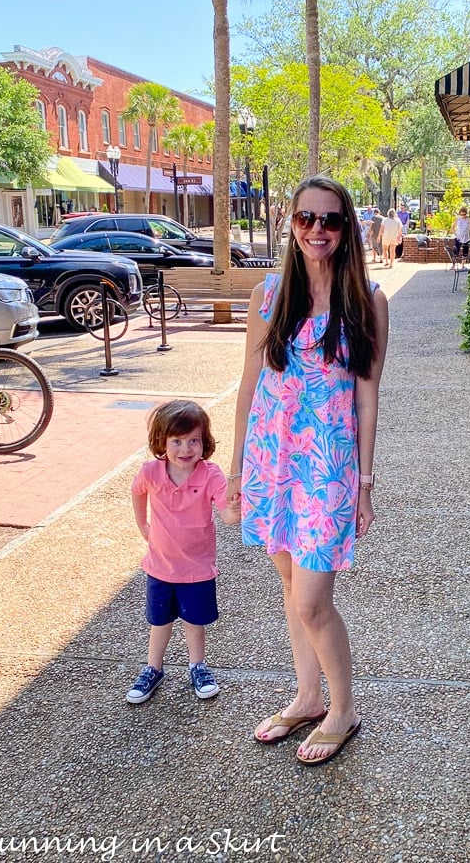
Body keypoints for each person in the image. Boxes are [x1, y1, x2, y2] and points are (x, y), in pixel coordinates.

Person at [229, 175, 389, 766]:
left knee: (314, 600)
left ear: (348, 229)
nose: (317, 230)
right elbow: (250, 386)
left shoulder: (368, 300)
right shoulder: (268, 294)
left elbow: (368, 397)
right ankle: (307, 697)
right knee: (293, 591)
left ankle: (343, 710)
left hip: (327, 472)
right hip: (274, 465)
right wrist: (238, 467)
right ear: (291, 227)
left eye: (331, 220)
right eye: (306, 219)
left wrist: (365, 485)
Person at [127, 400, 240, 705]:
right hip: (160, 567)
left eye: (194, 440)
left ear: (205, 442)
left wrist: (234, 507)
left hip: (197, 569)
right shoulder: (151, 471)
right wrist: (143, 526)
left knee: (194, 620)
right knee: (159, 621)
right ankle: (153, 667)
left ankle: (197, 665)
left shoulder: (211, 475)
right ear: (161, 441)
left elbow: (228, 518)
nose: (186, 448)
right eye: (176, 441)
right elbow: (137, 493)